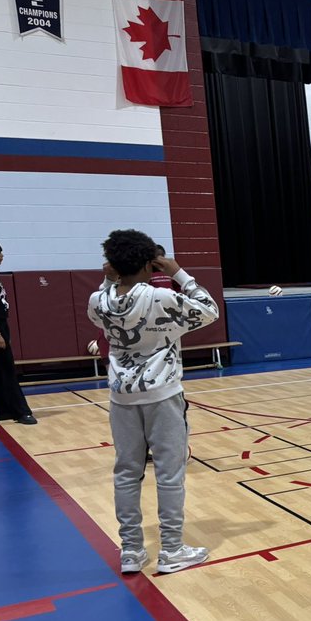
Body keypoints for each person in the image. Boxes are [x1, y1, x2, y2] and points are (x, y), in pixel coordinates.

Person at [88, 229, 219, 574]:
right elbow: (209, 310)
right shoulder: (162, 297)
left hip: (121, 398)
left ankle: (131, 550)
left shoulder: (99, 300)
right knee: (169, 474)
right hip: (162, 395)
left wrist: (108, 280)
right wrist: (179, 273)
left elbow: (100, 313)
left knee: (126, 473)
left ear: (112, 265)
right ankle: (172, 549)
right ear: (150, 264)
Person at [0, 240, 37, 425]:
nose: (2, 255)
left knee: (0, 367)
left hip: (0, 325)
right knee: (8, 367)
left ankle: (3, 411)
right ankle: (21, 411)